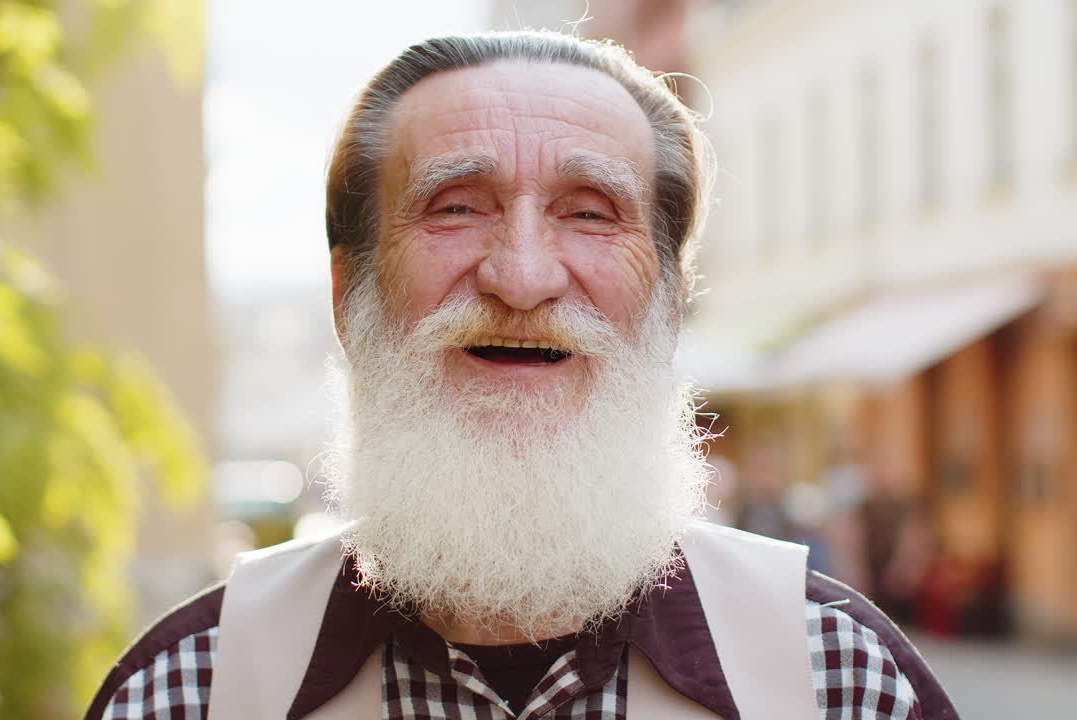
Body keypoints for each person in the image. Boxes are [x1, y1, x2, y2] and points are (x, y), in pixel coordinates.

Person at [85, 31, 958, 720]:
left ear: (665, 305)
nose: (525, 276)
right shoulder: (186, 695)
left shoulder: (841, 684)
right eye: (456, 207)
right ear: (353, 295)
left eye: (590, 213)